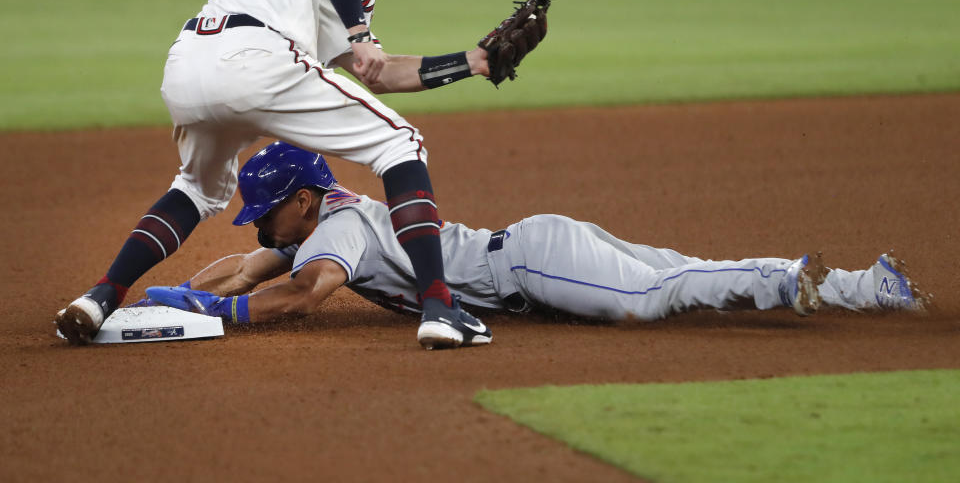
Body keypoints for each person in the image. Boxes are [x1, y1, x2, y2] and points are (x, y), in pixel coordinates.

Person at [55, 0, 517, 349]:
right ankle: (440, 306)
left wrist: (476, 61)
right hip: (257, 56)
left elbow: (374, 72)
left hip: (190, 62)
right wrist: (360, 31)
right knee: (400, 146)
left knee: (195, 190)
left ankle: (101, 296)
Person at [143, 143, 927, 345]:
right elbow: (249, 267)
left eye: (263, 214)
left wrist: (222, 320)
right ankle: (869, 285)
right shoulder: (318, 217)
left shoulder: (338, 228)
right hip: (536, 248)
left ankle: (790, 276)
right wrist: (192, 296)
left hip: (530, 263)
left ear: (302, 202)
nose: (256, 227)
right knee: (673, 273)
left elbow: (306, 295)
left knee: (656, 298)